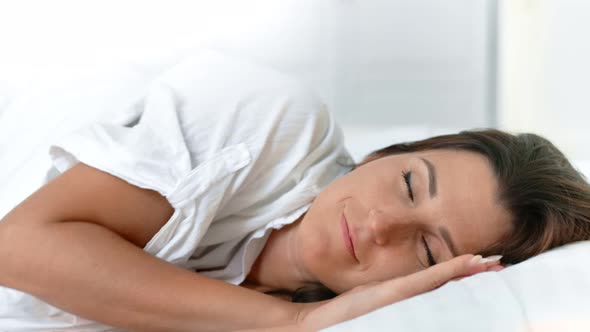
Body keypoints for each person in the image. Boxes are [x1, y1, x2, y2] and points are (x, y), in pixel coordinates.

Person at [0, 53, 589, 332]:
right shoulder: (276, 118)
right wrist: (292, 323)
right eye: (409, 184)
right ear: (388, 152)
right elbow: (18, 247)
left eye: (428, 252)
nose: (382, 225)